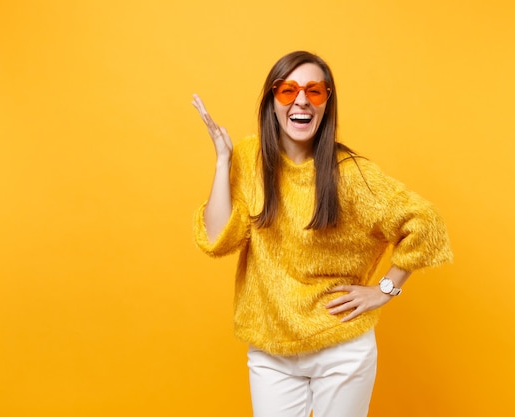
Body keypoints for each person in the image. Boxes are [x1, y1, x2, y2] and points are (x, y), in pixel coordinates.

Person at [191, 50, 453, 417]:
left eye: (314, 91)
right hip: (273, 351)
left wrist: (384, 290)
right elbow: (219, 240)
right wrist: (222, 161)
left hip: (341, 349)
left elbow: (426, 223)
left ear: (326, 102)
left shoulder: (350, 174)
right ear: (273, 99)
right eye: (288, 90)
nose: (301, 100)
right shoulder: (249, 159)